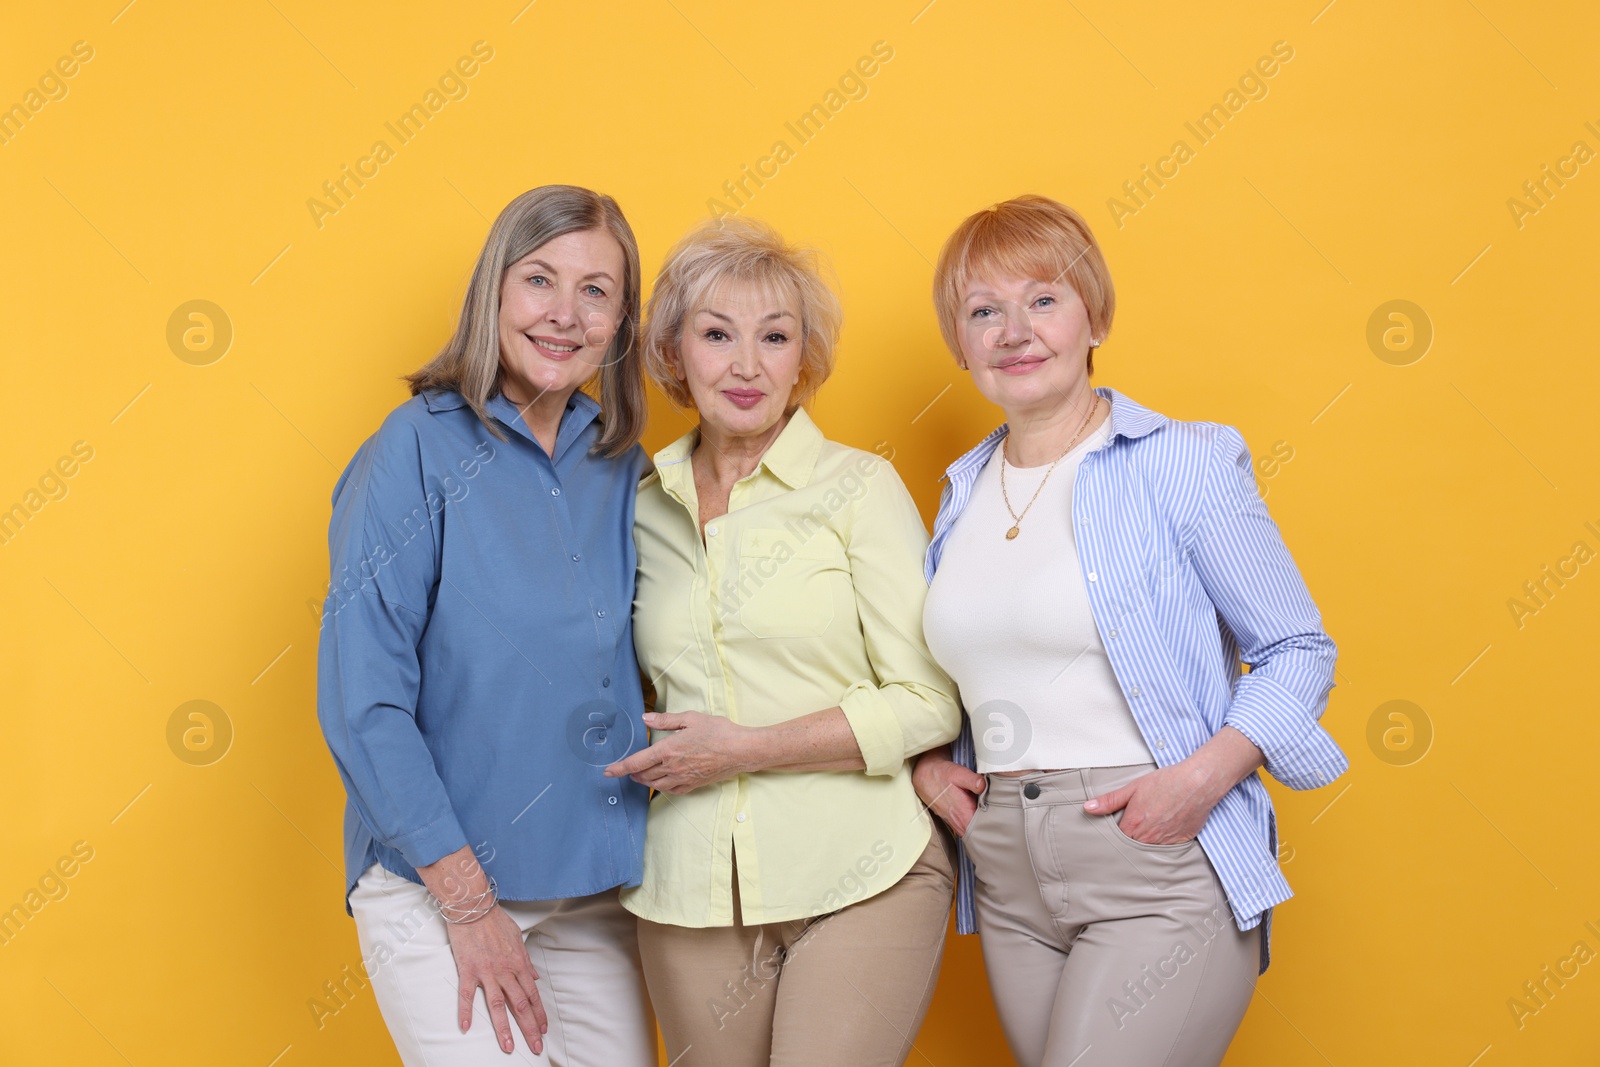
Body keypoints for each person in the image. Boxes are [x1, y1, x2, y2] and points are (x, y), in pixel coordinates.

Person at [912, 194, 1349, 1067]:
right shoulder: (959, 493)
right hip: (1005, 873)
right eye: (982, 311)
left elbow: (1300, 649)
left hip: (1153, 859)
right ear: (961, 344)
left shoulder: (1183, 460)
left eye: (1043, 298)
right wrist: (932, 761)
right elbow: (973, 668)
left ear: (1095, 315)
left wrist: (1199, 780)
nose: (1013, 330)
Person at [602, 217, 961, 1067]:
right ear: (673, 352)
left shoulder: (858, 489)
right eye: (717, 334)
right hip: (688, 888)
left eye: (775, 337)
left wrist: (748, 749)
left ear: (805, 358)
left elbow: (931, 698)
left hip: (864, 868)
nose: (747, 364)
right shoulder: (634, 503)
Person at [316, 184, 656, 1065]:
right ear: (493, 293)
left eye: (596, 292)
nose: (564, 314)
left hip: (592, 888)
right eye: (539, 279)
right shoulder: (412, 450)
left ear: (621, 323)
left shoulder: (622, 466)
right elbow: (364, 701)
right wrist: (467, 903)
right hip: (438, 888)